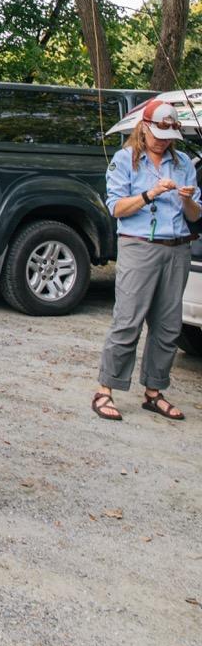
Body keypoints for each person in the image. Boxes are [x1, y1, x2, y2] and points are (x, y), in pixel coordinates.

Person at [92, 98, 201, 422]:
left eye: (169, 136)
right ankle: (105, 389)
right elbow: (115, 208)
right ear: (144, 129)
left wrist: (186, 201)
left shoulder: (183, 163)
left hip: (177, 247)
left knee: (168, 326)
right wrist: (150, 194)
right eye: (158, 134)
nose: (163, 140)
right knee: (128, 320)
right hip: (139, 246)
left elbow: (196, 213)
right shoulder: (125, 161)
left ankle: (154, 391)